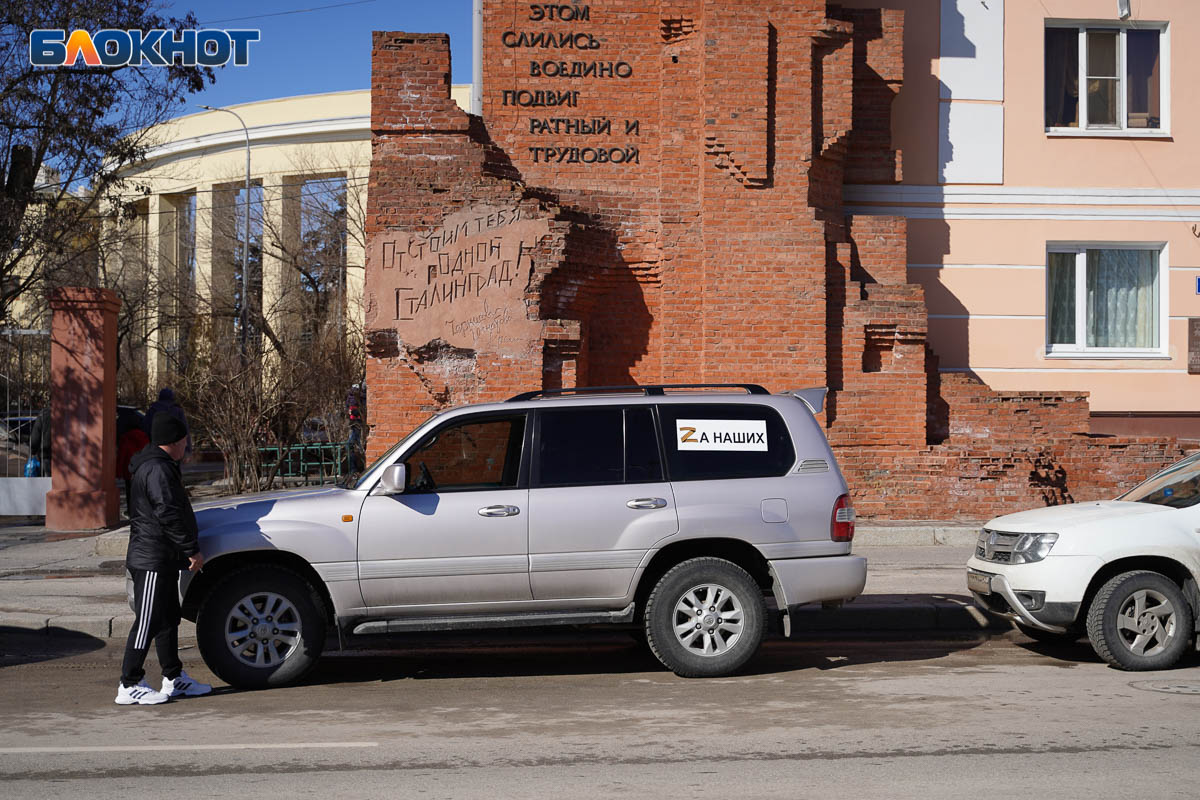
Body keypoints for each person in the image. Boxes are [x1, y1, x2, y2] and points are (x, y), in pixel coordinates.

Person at [115, 413, 212, 705]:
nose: (188, 445)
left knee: (168, 619)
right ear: (175, 440)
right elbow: (166, 512)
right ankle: (129, 683)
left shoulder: (158, 464)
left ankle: (174, 678)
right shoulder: (157, 469)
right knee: (147, 621)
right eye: (186, 440)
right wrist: (191, 549)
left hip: (162, 556)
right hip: (152, 559)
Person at [143, 387, 191, 459]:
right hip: (174, 448)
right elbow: (185, 431)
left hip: (155, 448)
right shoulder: (177, 411)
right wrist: (187, 450)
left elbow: (145, 429)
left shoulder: (152, 410)